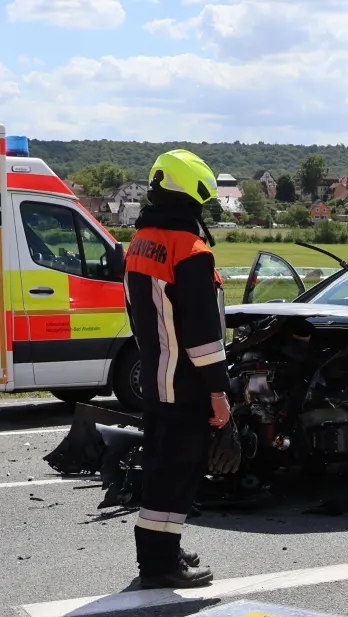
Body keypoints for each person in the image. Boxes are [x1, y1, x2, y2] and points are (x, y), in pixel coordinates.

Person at [123, 150, 232, 589]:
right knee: (179, 473)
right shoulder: (190, 250)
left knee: (161, 469)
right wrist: (218, 391)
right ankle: (160, 565)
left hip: (154, 376)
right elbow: (203, 333)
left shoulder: (141, 241)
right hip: (185, 383)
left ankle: (161, 550)